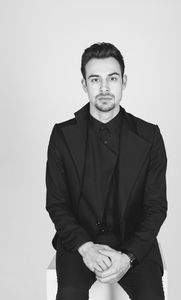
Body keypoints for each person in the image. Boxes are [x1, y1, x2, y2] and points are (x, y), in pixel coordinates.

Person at [46, 42, 167, 300]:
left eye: (112, 79)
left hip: (134, 244)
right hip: (79, 245)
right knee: (69, 294)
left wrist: (128, 256)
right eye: (94, 79)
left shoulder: (150, 136)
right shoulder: (62, 135)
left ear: (123, 82)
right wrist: (86, 248)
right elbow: (57, 204)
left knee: (151, 297)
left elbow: (156, 207)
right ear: (84, 85)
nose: (103, 88)